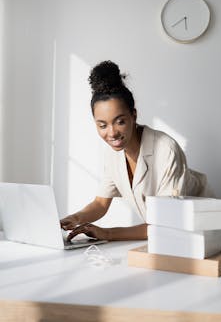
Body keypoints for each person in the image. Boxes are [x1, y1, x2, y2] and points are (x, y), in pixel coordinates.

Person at [60, 60, 210, 241]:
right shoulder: (113, 154)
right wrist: (73, 219)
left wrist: (107, 233)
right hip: (161, 235)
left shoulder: (165, 149)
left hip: (199, 232)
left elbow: (168, 222)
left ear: (134, 115)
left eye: (120, 121)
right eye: (102, 125)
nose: (112, 133)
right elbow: (101, 203)